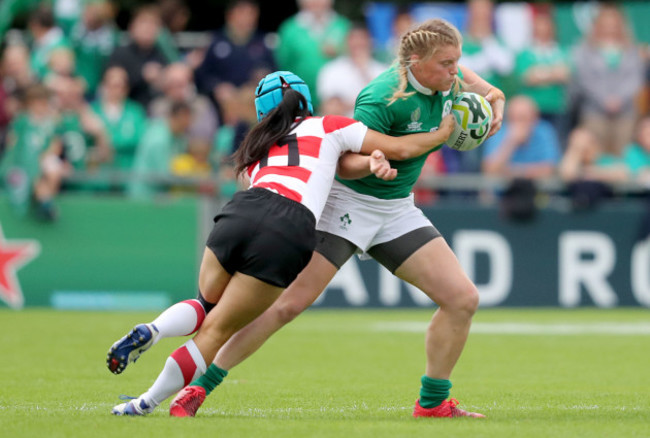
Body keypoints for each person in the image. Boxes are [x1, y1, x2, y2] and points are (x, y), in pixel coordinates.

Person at [109, 18, 504, 420]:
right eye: (447, 64)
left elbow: (471, 79)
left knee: (462, 299)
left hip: (396, 208)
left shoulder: (445, 77)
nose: (456, 73)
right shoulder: (381, 97)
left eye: (458, 63)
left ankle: (433, 402)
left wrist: (495, 97)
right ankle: (198, 386)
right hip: (345, 205)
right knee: (285, 306)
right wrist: (376, 163)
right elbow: (344, 160)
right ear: (416, 62)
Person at [569, 3, 644, 155]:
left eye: (614, 24)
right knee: (594, 155)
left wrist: (619, 99)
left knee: (624, 155)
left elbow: (635, 79)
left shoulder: (632, 49)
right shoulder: (584, 49)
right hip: (594, 112)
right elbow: (584, 78)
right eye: (606, 24)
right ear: (597, 25)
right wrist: (604, 99)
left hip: (626, 113)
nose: (610, 28)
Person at [482, 95, 560, 179]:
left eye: (523, 118)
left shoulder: (544, 131)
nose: (518, 124)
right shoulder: (498, 130)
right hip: (504, 190)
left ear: (535, 118)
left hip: (537, 189)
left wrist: (511, 172)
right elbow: (490, 170)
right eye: (513, 119)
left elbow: (550, 169)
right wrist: (510, 143)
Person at [317, 24, 387, 117]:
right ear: (346, 42)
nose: (357, 43)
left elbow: (383, 103)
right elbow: (330, 107)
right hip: (341, 125)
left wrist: (363, 71)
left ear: (370, 42)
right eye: (353, 39)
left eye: (362, 39)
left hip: (373, 125)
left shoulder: (382, 70)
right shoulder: (331, 69)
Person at [106, 5, 168, 108]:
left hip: (156, 109)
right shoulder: (120, 54)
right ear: (132, 27)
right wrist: (142, 75)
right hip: (125, 108)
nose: (148, 29)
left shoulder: (161, 54)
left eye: (153, 25)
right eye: (144, 24)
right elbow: (112, 85)